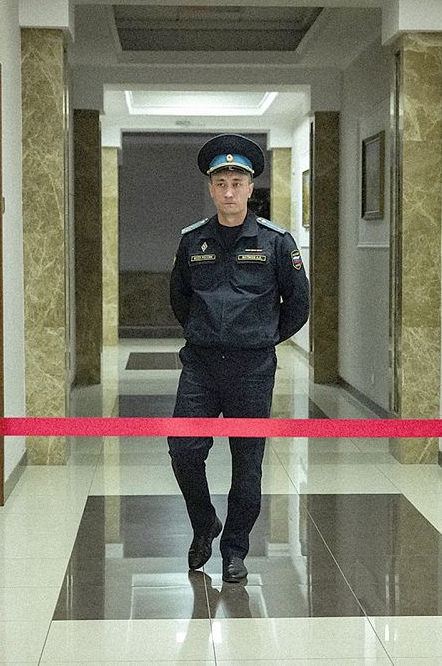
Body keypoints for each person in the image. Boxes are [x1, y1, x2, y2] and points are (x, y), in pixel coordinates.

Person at [168, 133, 310, 583]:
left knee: (247, 462)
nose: (229, 191)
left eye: (238, 182)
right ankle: (204, 522)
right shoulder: (193, 241)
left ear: (251, 188)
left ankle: (235, 550)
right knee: (184, 450)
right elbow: (179, 299)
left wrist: (263, 337)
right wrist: (208, 333)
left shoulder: (275, 242)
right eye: (221, 182)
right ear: (211, 188)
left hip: (252, 368)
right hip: (201, 367)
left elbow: (298, 305)